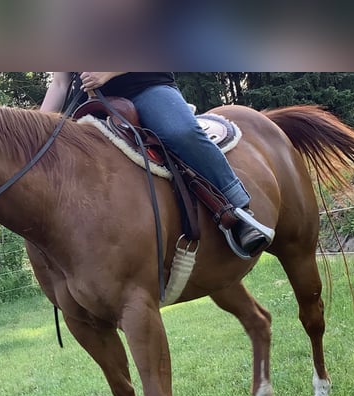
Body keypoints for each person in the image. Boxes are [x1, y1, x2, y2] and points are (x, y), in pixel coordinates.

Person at [40, 72, 273, 257]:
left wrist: (108, 72)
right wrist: (37, 133)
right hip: (89, 107)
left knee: (181, 132)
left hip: (146, 89)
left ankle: (239, 211)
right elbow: (60, 84)